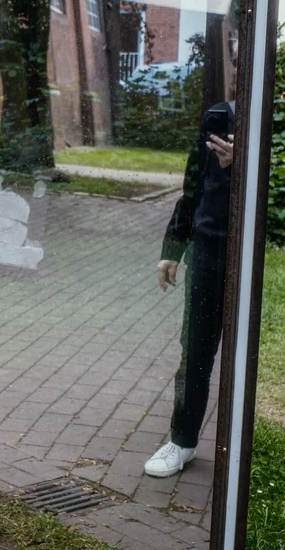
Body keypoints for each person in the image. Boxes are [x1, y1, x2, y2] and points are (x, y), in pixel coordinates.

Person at [144, 100, 235, 478]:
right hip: (208, 255)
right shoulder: (220, 116)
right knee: (195, 351)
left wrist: (243, 167)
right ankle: (182, 441)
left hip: (254, 260)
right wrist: (174, 247)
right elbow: (192, 186)